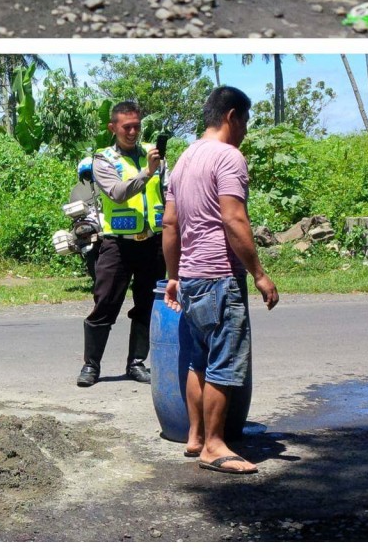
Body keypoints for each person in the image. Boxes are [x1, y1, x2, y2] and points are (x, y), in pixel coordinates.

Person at [161, 86, 279, 475]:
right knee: (224, 363)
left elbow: (171, 224)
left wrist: (173, 275)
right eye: (245, 121)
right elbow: (234, 220)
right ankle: (214, 445)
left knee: (198, 358)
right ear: (232, 116)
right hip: (220, 277)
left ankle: (195, 437)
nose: (245, 130)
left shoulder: (183, 160)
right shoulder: (229, 157)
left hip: (192, 277)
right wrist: (259, 274)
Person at [77, 101, 167, 387]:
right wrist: (147, 173)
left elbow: (169, 191)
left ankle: (137, 363)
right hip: (117, 244)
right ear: (112, 127)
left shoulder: (153, 154)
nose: (132, 131)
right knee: (105, 304)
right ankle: (91, 366)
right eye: (126, 127)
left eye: (136, 126)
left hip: (152, 242)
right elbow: (116, 193)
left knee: (147, 306)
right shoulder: (103, 159)